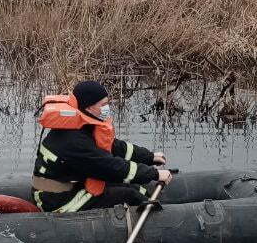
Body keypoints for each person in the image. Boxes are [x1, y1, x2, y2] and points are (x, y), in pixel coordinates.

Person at [31, 80, 172, 213]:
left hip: (70, 186)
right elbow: (110, 166)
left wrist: (150, 157)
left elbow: (116, 147)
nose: (107, 108)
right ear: (88, 107)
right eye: (103, 105)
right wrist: (155, 174)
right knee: (130, 194)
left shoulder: (82, 127)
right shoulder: (74, 140)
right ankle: (159, 223)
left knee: (135, 187)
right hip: (56, 200)